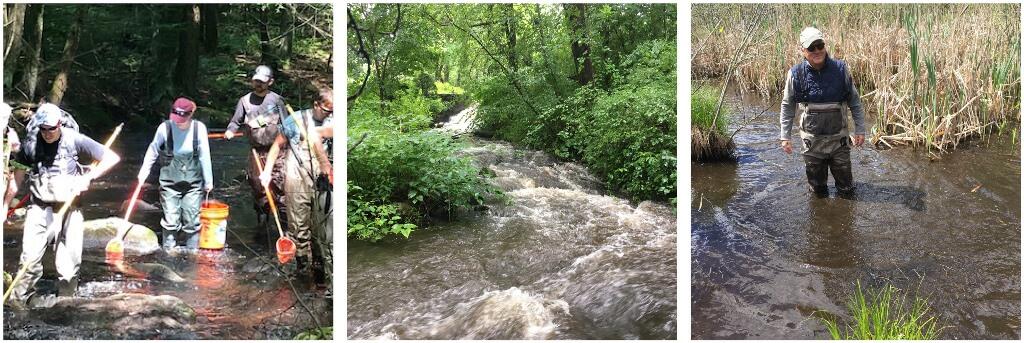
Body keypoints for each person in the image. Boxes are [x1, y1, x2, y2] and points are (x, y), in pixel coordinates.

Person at [8, 103, 121, 307]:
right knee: (30, 258)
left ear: (59, 124)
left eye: (52, 128)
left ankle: (66, 303)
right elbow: (17, 177)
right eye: (44, 128)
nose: (48, 133)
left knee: (69, 263)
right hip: (40, 207)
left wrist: (88, 177)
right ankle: (19, 302)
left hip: (70, 208)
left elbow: (112, 158)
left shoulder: (74, 138)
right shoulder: (29, 144)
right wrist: (6, 204)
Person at [780, 27, 866, 197]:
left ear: (825, 46)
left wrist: (860, 129)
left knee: (847, 190)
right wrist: (785, 136)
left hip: (839, 142)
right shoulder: (795, 74)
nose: (817, 51)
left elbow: (854, 102)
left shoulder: (841, 69)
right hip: (812, 145)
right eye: (812, 48)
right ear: (803, 50)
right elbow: (788, 105)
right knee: (817, 193)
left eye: (820, 46)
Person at [259, 89, 333, 280]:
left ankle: (320, 274)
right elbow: (277, 145)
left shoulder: (333, 122)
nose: (329, 114)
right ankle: (301, 271)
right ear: (316, 105)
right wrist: (267, 172)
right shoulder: (296, 119)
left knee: (321, 229)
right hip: (296, 177)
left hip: (322, 180)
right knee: (298, 226)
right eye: (327, 110)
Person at [136, 97, 213, 251]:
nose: (177, 121)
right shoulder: (164, 128)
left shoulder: (199, 129)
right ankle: (169, 253)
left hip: (193, 183)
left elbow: (205, 155)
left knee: (192, 220)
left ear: (190, 114)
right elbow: (153, 150)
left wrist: (208, 181)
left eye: (182, 117)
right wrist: (143, 172)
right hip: (169, 183)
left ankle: (193, 253)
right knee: (171, 220)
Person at [224, 65, 288, 236]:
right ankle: (262, 221)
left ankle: (285, 225)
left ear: (270, 82)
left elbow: (288, 125)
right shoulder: (244, 101)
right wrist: (230, 130)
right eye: (256, 81)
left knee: (280, 185)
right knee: (258, 186)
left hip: (279, 151)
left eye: (262, 82)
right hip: (256, 152)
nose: (258, 85)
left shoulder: (277, 101)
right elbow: (235, 122)